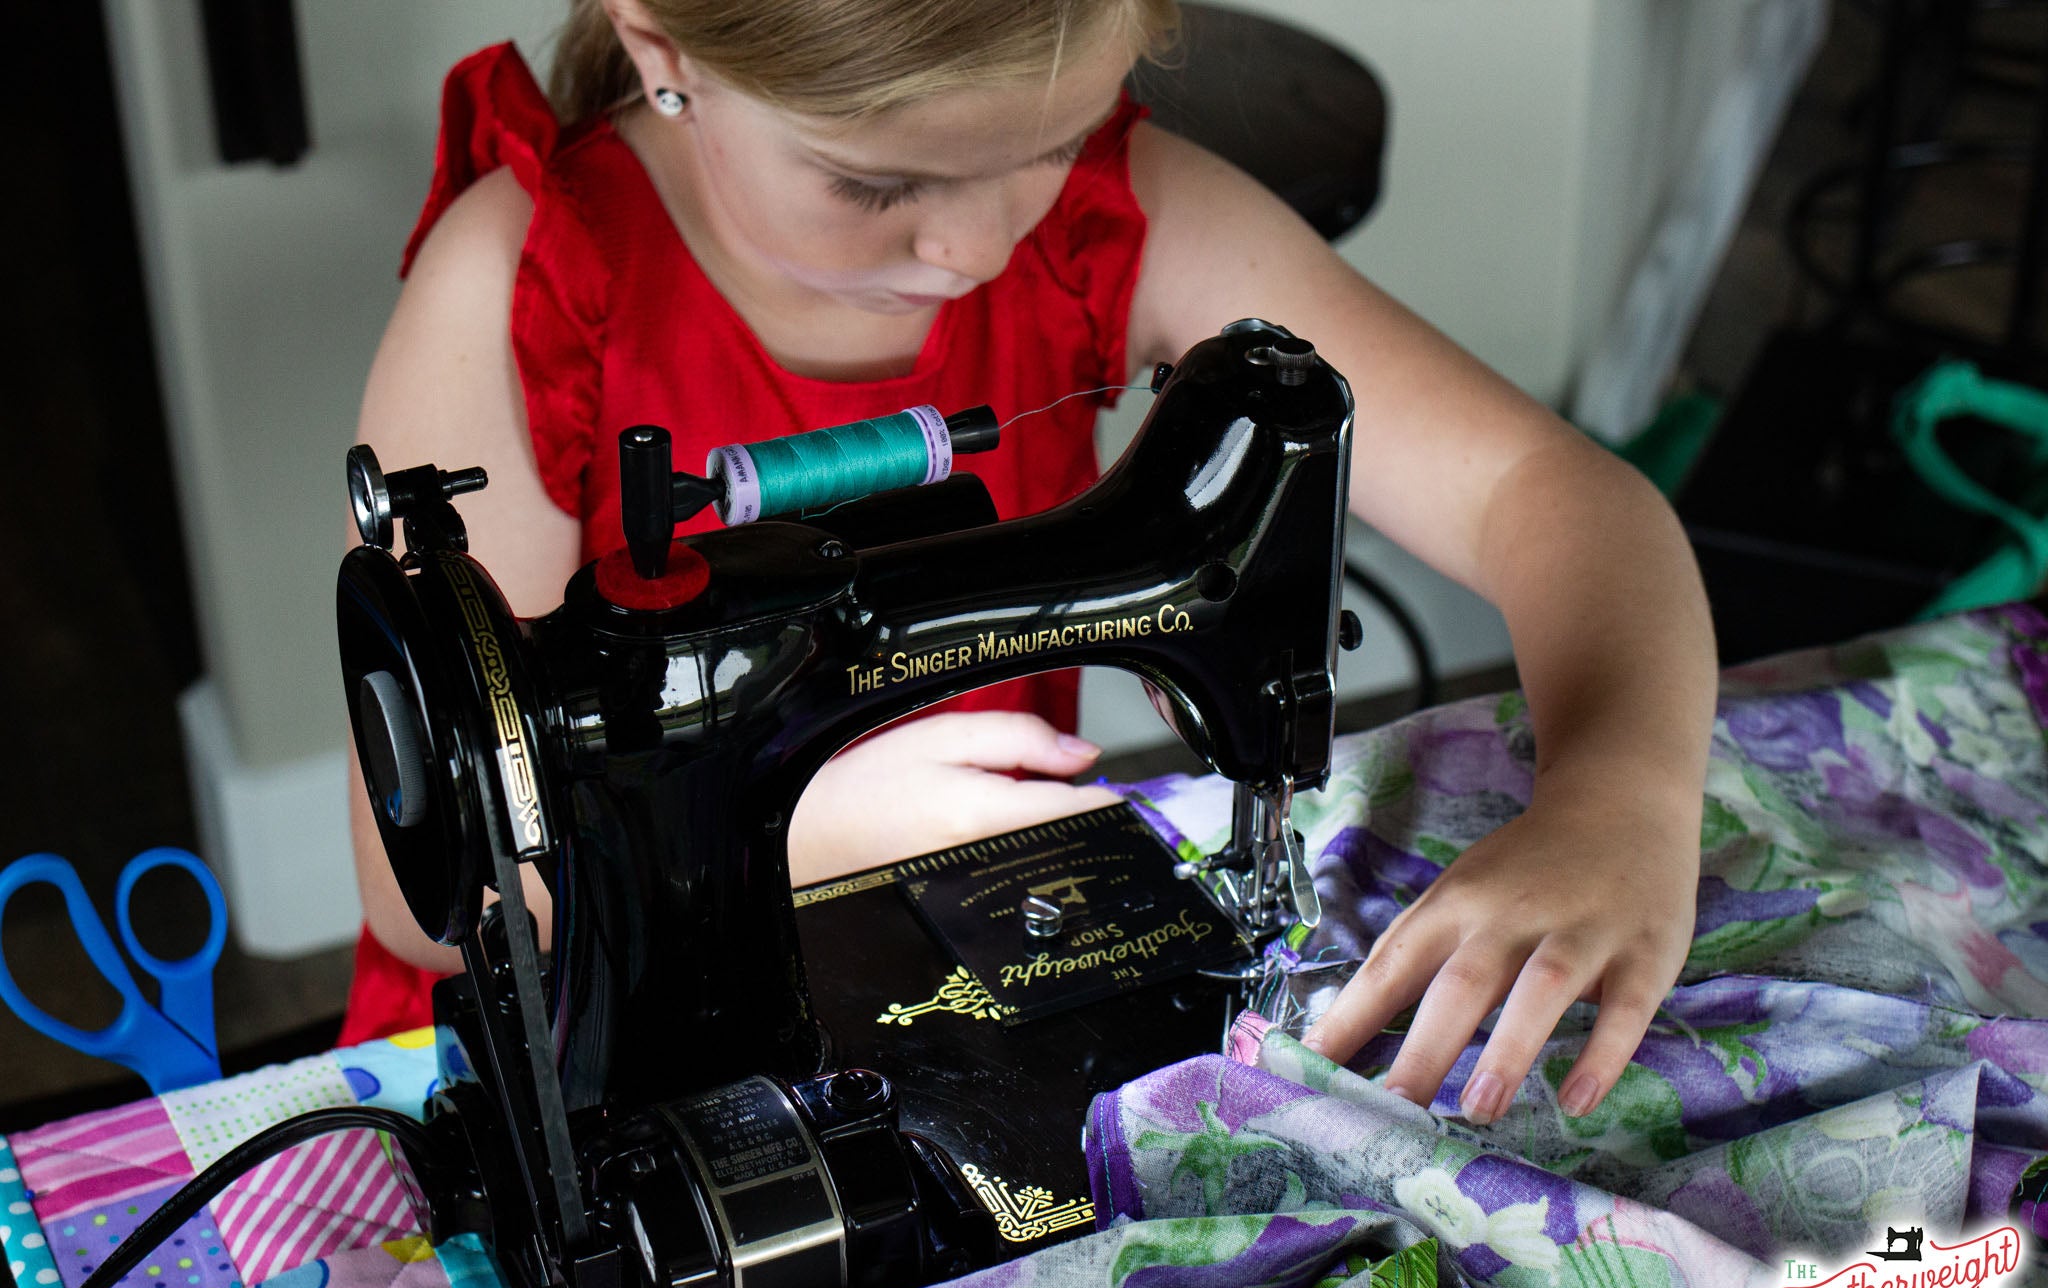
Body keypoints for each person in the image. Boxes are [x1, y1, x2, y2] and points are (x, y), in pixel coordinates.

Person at [343, 0, 1718, 1135]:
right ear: (661, 49)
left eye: (1051, 143)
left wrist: (1624, 787)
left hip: (975, 949)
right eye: (875, 183)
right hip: (593, 1047)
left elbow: (1549, 495)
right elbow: (423, 890)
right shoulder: (522, 288)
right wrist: (774, 825)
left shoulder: (1116, 219)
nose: (975, 244)